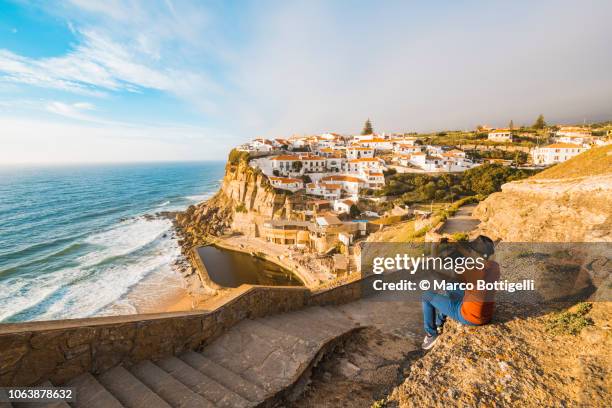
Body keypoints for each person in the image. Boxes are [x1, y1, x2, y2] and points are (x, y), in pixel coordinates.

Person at [421, 235, 500, 350]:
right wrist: (457, 244)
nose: (469, 252)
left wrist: (434, 247)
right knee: (450, 285)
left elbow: (437, 269)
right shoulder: (494, 267)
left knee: (426, 296)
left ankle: (431, 335)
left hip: (470, 317)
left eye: (472, 250)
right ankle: (439, 323)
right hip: (486, 314)